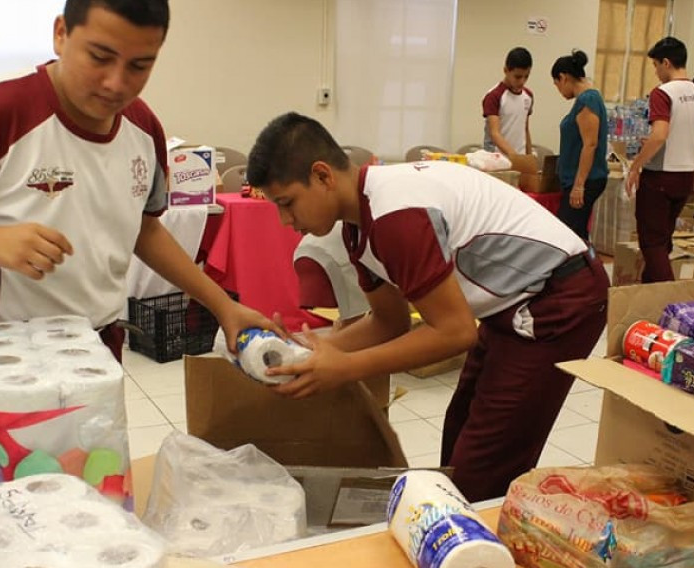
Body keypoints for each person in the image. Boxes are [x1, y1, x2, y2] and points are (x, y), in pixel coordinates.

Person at [0, 0, 272, 359]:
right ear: (60, 33)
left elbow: (143, 230)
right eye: (100, 57)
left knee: (94, 448)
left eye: (139, 65)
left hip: (96, 346)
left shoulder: (143, 128)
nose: (116, 83)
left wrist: (223, 305)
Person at [246, 112, 609, 503]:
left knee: (482, 465)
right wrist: (310, 351)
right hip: (512, 303)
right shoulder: (357, 224)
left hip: (559, 299)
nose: (285, 220)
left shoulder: (395, 214)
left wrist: (346, 368)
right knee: (459, 434)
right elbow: (389, 321)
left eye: (287, 203)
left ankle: (480, 547)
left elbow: (454, 332)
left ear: (322, 176)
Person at [625, 36, 694, 283]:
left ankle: (669, 298)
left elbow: (660, 134)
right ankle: (649, 287)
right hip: (686, 175)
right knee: (663, 240)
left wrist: (636, 165)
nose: (656, 72)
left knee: (651, 242)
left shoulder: (663, 93)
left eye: (656, 66)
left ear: (666, 63)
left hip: (660, 176)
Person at [551, 50, 608, 242]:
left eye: (556, 85)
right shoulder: (586, 99)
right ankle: (587, 271)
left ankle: (578, 271)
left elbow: (590, 144)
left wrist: (579, 185)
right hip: (580, 178)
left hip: (586, 179)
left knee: (565, 233)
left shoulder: (587, 100)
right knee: (578, 233)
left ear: (563, 77)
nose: (558, 90)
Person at [481, 47, 534, 158]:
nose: (522, 81)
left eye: (526, 76)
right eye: (518, 77)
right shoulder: (494, 96)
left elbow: (525, 129)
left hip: (519, 157)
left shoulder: (528, 96)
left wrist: (529, 156)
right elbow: (494, 133)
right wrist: (514, 156)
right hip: (497, 159)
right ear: (506, 70)